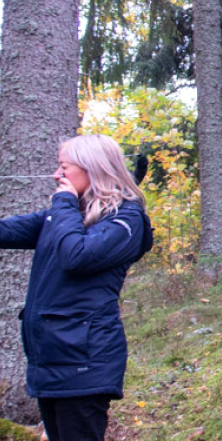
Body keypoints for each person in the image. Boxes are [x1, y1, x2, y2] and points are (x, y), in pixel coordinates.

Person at [0, 134, 154, 441]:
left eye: (63, 168)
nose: (57, 176)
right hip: (51, 362)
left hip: (85, 364)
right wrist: (66, 206)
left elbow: (76, 256)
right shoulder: (64, 215)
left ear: (92, 168)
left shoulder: (126, 220)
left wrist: (64, 200)